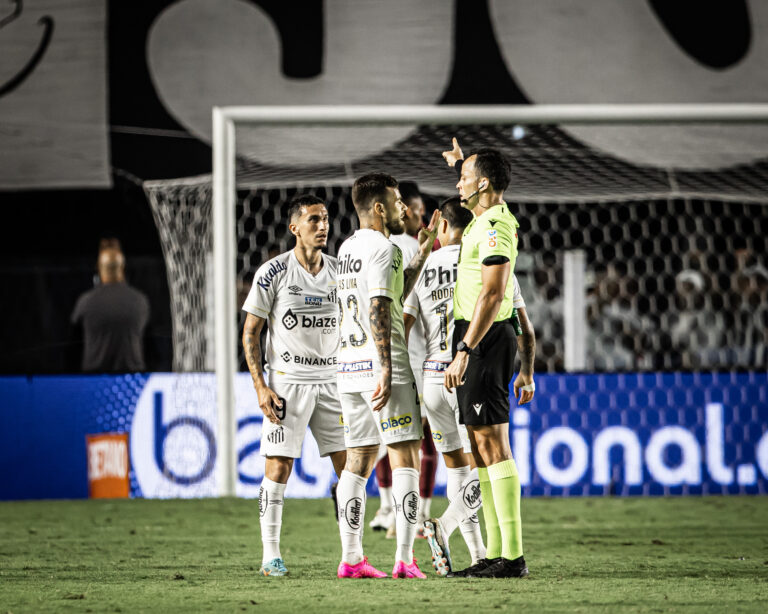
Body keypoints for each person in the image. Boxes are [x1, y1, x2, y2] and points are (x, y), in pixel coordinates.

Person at [334, 172, 439, 579]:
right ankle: (405, 559)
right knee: (406, 458)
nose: (404, 210)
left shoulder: (348, 248)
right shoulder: (386, 246)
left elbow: (392, 292)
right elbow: (380, 306)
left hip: (348, 370)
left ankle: (352, 559)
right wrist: (387, 366)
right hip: (383, 369)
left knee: (357, 462)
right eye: (397, 203)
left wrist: (423, 255)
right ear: (379, 208)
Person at [441, 138, 535, 579]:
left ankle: (511, 557)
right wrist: (463, 165)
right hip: (474, 334)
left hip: (485, 338)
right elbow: (473, 184)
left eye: (464, 178)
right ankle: (495, 555)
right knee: (480, 445)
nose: (458, 183)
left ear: (484, 184)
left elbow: (494, 292)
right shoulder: (481, 217)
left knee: (493, 443)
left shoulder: (497, 224)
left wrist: (464, 350)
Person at [242, 194, 347, 577]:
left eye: (326, 220)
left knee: (349, 469)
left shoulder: (340, 272)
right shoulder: (273, 272)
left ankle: (352, 555)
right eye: (315, 220)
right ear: (295, 227)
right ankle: (271, 555)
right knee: (279, 466)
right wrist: (260, 387)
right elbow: (251, 332)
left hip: (333, 383)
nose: (323, 227)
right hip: (288, 385)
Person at [370, 180, 438, 536]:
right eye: (417, 210)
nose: (420, 217)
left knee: (379, 440)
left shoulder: (361, 246)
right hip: (414, 360)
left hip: (369, 359)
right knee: (418, 442)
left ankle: (385, 508)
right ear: (405, 210)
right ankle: (415, 515)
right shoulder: (418, 248)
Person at [71, 240, 150, 372]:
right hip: (132, 379)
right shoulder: (140, 301)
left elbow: (73, 345)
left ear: (99, 268)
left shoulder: (85, 301)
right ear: (122, 267)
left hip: (94, 379)